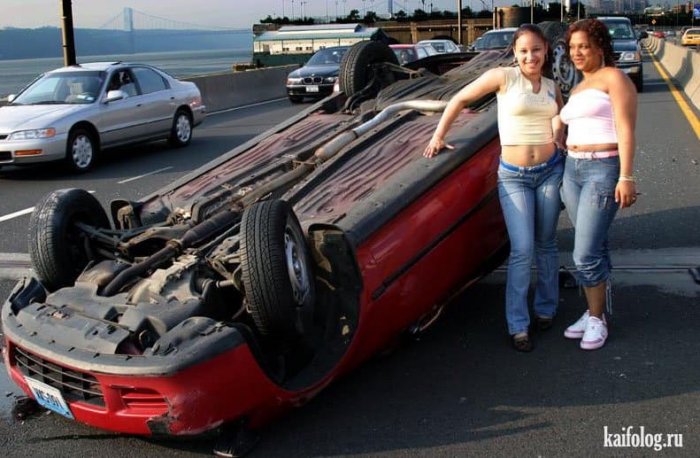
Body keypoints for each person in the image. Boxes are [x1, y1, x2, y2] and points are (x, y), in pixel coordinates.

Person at [424, 24, 565, 352]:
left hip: (549, 172)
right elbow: (460, 98)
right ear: (515, 53)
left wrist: (558, 134)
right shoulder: (503, 77)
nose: (530, 56)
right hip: (514, 176)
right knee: (522, 248)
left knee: (546, 243)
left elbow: (557, 114)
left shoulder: (550, 86)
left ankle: (546, 308)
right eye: (524, 51)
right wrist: (439, 135)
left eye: (536, 50)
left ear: (546, 50)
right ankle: (518, 325)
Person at [558, 19, 638, 350]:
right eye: (572, 47)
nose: (577, 53)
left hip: (602, 169)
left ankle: (596, 318)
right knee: (595, 245)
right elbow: (569, 122)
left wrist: (626, 176)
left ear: (600, 47)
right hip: (572, 170)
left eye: (584, 46)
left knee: (584, 253)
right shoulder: (579, 86)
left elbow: (626, 129)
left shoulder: (614, 78)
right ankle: (596, 312)